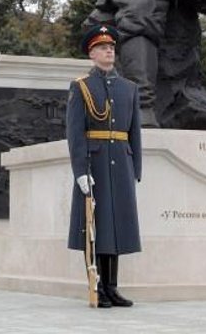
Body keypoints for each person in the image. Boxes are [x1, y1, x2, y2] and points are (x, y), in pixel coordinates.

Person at [67, 24, 142, 308]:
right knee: (96, 227)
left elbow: (134, 131)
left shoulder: (129, 88)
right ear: (92, 54)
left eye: (111, 47)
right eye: (102, 48)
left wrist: (136, 168)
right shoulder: (81, 87)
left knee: (117, 226)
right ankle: (97, 286)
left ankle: (112, 287)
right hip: (94, 163)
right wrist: (80, 171)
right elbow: (75, 133)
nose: (108, 51)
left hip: (121, 162)